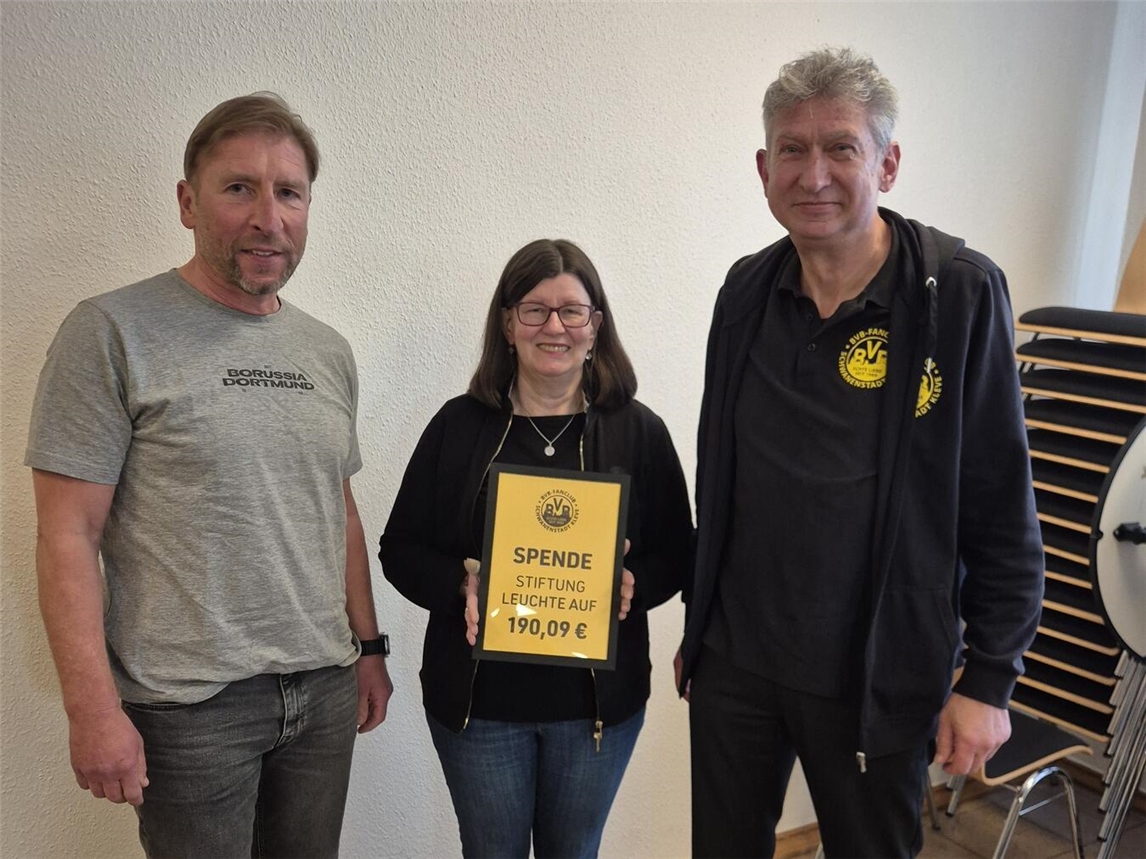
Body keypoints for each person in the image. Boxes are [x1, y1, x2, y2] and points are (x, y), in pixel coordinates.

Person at [677, 48, 1044, 858]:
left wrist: (990, 677)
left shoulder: (959, 293)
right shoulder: (745, 291)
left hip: (878, 672)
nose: (814, 175)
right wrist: (698, 628)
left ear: (888, 163)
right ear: (764, 169)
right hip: (738, 662)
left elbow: (1000, 501)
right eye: (792, 149)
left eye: (840, 147)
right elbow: (718, 471)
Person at [25, 92, 393, 858]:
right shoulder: (113, 332)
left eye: (288, 192)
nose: (268, 217)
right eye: (238, 188)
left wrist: (369, 647)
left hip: (323, 689)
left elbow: (340, 510)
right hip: (191, 710)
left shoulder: (327, 350)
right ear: (188, 202)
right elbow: (68, 533)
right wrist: (91, 710)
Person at [380, 238, 693, 858]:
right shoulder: (457, 426)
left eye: (571, 310)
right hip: (480, 710)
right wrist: (461, 586)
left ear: (595, 326)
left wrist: (634, 586)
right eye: (534, 309)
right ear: (507, 324)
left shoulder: (639, 431)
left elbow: (679, 552)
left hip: (596, 714)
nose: (554, 327)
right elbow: (400, 548)